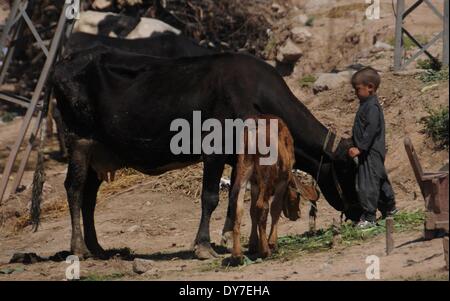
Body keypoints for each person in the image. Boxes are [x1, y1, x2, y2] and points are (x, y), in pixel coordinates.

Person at [348, 67, 398, 228]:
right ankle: (390, 209)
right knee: (379, 179)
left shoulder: (372, 107)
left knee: (367, 183)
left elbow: (371, 130)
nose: (355, 93)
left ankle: (369, 217)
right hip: (370, 151)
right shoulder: (366, 104)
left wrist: (360, 148)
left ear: (370, 87)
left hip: (370, 151)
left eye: (357, 90)